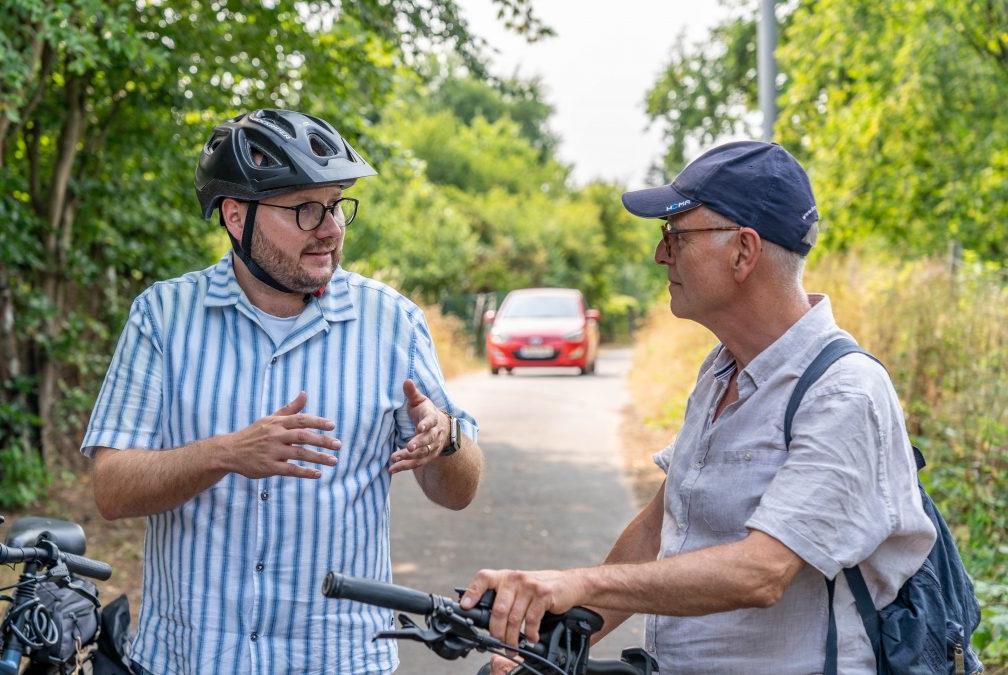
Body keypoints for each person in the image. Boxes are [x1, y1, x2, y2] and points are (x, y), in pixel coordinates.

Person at [460, 141, 936, 673]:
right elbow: (661, 525)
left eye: (676, 235)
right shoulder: (722, 369)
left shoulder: (843, 393)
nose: (661, 254)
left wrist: (580, 584)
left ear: (743, 251)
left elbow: (762, 572)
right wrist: (557, 642)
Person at [81, 108, 484, 674]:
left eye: (337, 204)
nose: (331, 228)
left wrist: (446, 439)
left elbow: (459, 492)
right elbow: (111, 490)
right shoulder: (163, 317)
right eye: (305, 209)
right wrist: (225, 453)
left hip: (339, 661)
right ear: (235, 215)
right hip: (190, 659)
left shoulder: (393, 322)